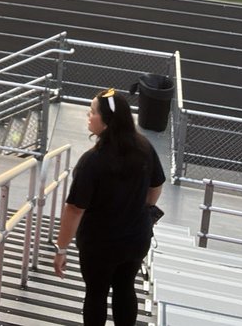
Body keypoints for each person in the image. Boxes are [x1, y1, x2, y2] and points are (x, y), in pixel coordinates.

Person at [53, 88, 165, 326]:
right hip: (136, 238)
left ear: (107, 122)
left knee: (96, 294)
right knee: (125, 288)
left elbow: (74, 209)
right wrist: (141, 208)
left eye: (92, 112)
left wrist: (62, 248)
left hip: (99, 245)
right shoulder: (144, 147)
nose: (88, 115)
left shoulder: (92, 162)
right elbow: (157, 185)